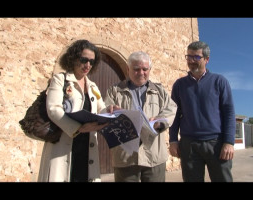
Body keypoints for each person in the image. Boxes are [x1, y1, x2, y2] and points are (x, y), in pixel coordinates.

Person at [38, 39, 108, 182]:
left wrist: (111, 111)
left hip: (86, 148)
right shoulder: (60, 80)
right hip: (63, 145)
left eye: (92, 62)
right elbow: (53, 109)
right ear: (74, 58)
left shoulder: (93, 86)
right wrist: (78, 128)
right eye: (84, 60)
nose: (87, 65)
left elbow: (102, 109)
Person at [104, 51, 177, 182]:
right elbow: (104, 111)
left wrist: (159, 122)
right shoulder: (114, 90)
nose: (141, 73)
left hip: (154, 156)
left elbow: (171, 109)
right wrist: (110, 111)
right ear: (128, 69)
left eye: (145, 69)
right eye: (136, 69)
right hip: (125, 157)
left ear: (150, 69)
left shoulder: (159, 91)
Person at [169, 41, 236, 182]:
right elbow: (173, 115)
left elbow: (229, 113)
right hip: (189, 145)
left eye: (196, 57)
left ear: (207, 59)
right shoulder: (179, 85)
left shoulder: (219, 81)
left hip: (216, 144)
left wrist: (229, 142)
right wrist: (173, 140)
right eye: (189, 57)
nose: (191, 61)